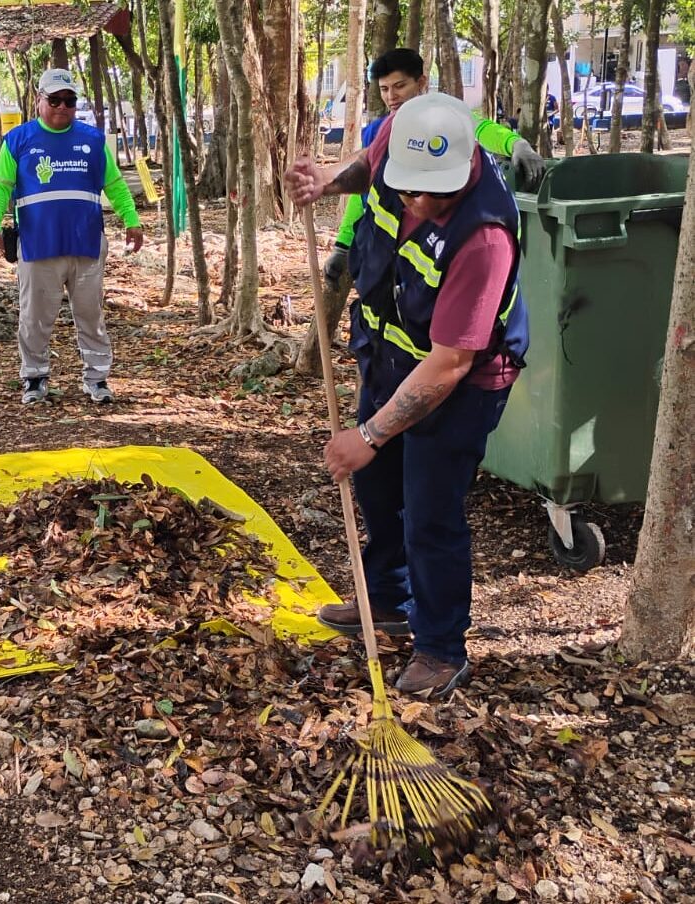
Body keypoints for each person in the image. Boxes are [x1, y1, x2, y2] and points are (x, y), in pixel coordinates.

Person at [287, 93, 529, 697]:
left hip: (460, 380)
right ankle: (386, 600)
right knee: (376, 487)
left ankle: (441, 647)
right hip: (390, 351)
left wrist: (367, 436)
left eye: (433, 195)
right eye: (409, 190)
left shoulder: (484, 236)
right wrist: (328, 183)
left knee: (430, 510)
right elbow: (371, 164)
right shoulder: (403, 128)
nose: (418, 203)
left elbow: (449, 364)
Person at [0, 68, 144, 404]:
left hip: (85, 244)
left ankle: (97, 379)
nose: (62, 107)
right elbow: (1, 188)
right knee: (35, 317)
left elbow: (113, 185)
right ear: (39, 100)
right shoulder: (18, 140)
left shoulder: (92, 140)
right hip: (39, 244)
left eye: (69, 101)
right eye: (54, 100)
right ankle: (35, 378)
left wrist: (131, 219)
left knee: (90, 314)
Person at [323, 48, 545, 291]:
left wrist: (516, 144)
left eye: (399, 86)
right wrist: (343, 245)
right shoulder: (377, 132)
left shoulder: (444, 119)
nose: (391, 97)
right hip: (383, 249)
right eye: (384, 89)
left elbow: (480, 128)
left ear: (421, 82)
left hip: (431, 244)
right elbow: (365, 192)